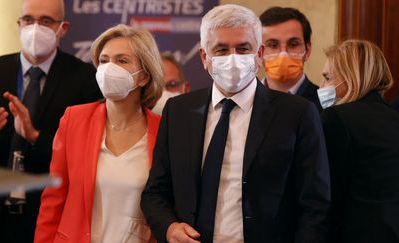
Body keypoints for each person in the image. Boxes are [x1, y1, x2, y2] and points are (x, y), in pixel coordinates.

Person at [141, 4, 330, 243]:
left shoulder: (298, 113)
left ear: (259, 54)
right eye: (221, 49)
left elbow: (315, 205)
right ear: (204, 57)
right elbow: (155, 192)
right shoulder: (179, 111)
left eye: (243, 49)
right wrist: (168, 228)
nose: (233, 58)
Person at [0, 0, 102, 242]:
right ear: (19, 24)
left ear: (63, 28)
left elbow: (84, 154)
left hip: (49, 211)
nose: (35, 28)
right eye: (28, 20)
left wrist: (35, 137)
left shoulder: (85, 79)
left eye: (46, 21)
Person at [34, 24, 163, 243]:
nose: (109, 68)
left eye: (122, 61)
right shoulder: (74, 120)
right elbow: (54, 198)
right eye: (104, 61)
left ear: (144, 76)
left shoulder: (163, 131)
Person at [318, 39, 399, 243]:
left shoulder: (337, 117)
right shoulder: (393, 116)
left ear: (350, 78)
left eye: (328, 77)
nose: (321, 86)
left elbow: (330, 193)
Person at [260, 7, 322, 111]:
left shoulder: (325, 105)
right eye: (273, 45)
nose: (283, 54)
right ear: (259, 52)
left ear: (307, 50)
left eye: (293, 44)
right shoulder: (244, 101)